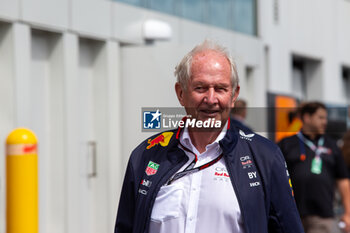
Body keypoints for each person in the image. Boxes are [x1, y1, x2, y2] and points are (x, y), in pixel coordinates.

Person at [114, 40, 304, 233]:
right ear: (181, 93)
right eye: (200, 88)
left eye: (221, 89)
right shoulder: (146, 154)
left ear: (234, 95)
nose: (211, 99)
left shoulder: (265, 156)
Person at [278, 102, 350, 233]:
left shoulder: (332, 145)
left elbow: (343, 180)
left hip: (322, 215)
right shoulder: (286, 144)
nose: (325, 122)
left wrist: (348, 213)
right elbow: (275, 178)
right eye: (320, 118)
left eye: (325, 118)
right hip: (292, 214)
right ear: (307, 118)